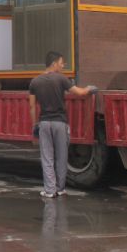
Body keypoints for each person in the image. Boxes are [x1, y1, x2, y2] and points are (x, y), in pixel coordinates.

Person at [29, 51, 97, 198]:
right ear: (54, 64)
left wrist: (35, 124)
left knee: (47, 157)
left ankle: (49, 191)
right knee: (61, 156)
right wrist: (90, 88)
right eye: (61, 63)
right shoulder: (61, 79)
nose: (63, 65)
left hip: (45, 123)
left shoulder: (35, 82)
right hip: (60, 123)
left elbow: (32, 106)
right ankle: (60, 189)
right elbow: (79, 93)